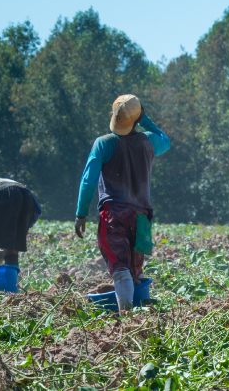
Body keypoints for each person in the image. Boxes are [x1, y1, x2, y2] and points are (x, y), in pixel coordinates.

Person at [74, 94, 170, 310]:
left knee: (120, 268)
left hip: (114, 215)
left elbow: (88, 181)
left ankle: (126, 316)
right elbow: (165, 140)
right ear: (137, 120)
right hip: (142, 217)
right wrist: (145, 119)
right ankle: (138, 310)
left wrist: (81, 213)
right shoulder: (149, 141)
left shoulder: (104, 144)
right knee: (135, 269)